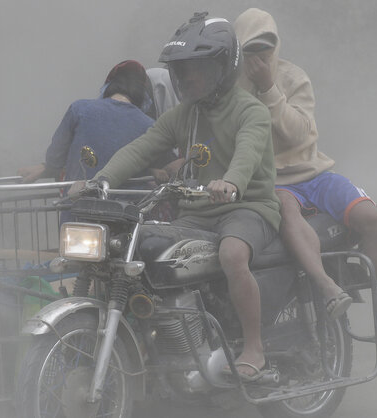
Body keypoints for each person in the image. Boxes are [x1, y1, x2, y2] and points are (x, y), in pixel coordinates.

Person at [70, 12, 280, 379]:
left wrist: (229, 182)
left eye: (195, 67)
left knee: (232, 253)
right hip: (197, 212)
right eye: (180, 69)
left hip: (247, 208)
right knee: (143, 248)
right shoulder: (183, 115)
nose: (184, 77)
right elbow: (141, 149)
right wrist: (99, 181)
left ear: (222, 66)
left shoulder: (252, 110)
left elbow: (246, 155)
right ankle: (168, 344)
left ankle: (253, 346)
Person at [233, 8, 377, 333]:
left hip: (316, 174)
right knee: (288, 214)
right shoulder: (233, 91)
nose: (259, 57)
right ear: (239, 51)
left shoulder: (293, 78)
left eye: (266, 47)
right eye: (250, 49)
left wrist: (268, 89)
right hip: (274, 183)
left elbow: (299, 133)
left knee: (369, 216)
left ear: (275, 45)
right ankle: (327, 287)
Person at [17, 60, 171, 184]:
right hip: (127, 212)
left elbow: (55, 158)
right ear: (142, 95)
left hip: (79, 208)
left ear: (108, 86)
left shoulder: (79, 109)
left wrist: (48, 167)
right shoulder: (148, 125)